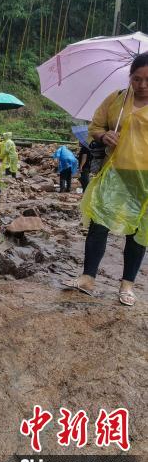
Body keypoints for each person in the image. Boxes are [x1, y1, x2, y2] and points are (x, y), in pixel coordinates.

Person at [65, 53, 148, 306]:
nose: (142, 85)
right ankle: (88, 278)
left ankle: (127, 285)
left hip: (145, 179)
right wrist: (104, 136)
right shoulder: (116, 99)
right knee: (99, 222)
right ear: (130, 77)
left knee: (138, 231)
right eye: (137, 79)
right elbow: (95, 127)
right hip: (114, 173)